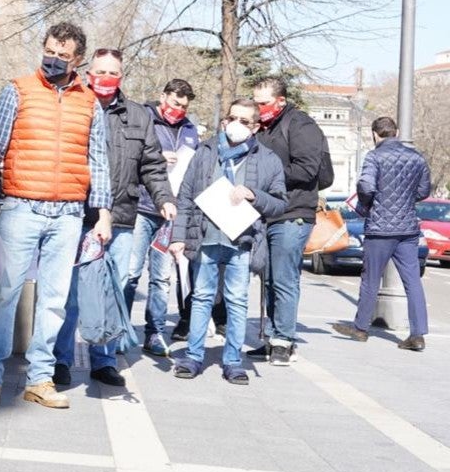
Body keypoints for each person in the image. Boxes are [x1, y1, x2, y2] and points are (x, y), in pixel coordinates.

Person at [0, 22, 113, 411]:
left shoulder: (89, 103)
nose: (53, 59)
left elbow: (97, 159)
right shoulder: (17, 90)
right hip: (20, 206)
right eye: (50, 51)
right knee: (4, 294)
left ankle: (40, 379)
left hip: (68, 213)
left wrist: (102, 213)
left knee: (53, 301)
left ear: (78, 60)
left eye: (63, 56)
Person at [52, 49, 175, 387]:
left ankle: (104, 360)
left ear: (122, 76)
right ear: (89, 72)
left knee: (115, 289)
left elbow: (152, 164)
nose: (106, 78)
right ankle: (59, 359)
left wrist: (164, 198)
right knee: (71, 293)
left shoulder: (138, 115)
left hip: (121, 217)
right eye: (100, 71)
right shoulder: (75, 105)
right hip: (77, 214)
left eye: (113, 72)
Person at [170, 99, 287, 384]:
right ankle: (194, 356)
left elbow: (280, 204)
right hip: (207, 237)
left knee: (236, 301)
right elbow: (185, 194)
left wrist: (254, 195)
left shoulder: (268, 159)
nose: (235, 125)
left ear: (256, 126)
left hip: (242, 242)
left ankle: (233, 361)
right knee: (201, 298)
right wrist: (178, 237)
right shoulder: (206, 151)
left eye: (244, 121)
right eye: (231, 118)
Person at [249, 76, 331, 365]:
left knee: (284, 277)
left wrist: (269, 173)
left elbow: (307, 170)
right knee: (268, 277)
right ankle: (271, 337)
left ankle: (284, 339)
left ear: (280, 100)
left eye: (263, 103)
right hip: (268, 212)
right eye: (256, 102)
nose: (258, 108)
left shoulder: (300, 124)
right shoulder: (265, 127)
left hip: (293, 212)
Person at [331, 117, 431, 351]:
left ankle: (360, 328)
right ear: (396, 132)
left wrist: (369, 204)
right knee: (413, 281)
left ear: (375, 134)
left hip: (380, 228)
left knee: (371, 279)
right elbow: (424, 189)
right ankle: (417, 335)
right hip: (407, 228)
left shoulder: (374, 157)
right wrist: (404, 201)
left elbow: (366, 186)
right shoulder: (417, 157)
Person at [125, 79, 199, 352]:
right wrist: (156, 156)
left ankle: (154, 332)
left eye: (183, 106)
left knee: (161, 277)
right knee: (131, 273)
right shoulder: (143, 118)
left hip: (170, 212)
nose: (178, 110)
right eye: (174, 103)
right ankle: (121, 329)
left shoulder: (190, 130)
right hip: (142, 206)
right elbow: (129, 157)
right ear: (162, 96)